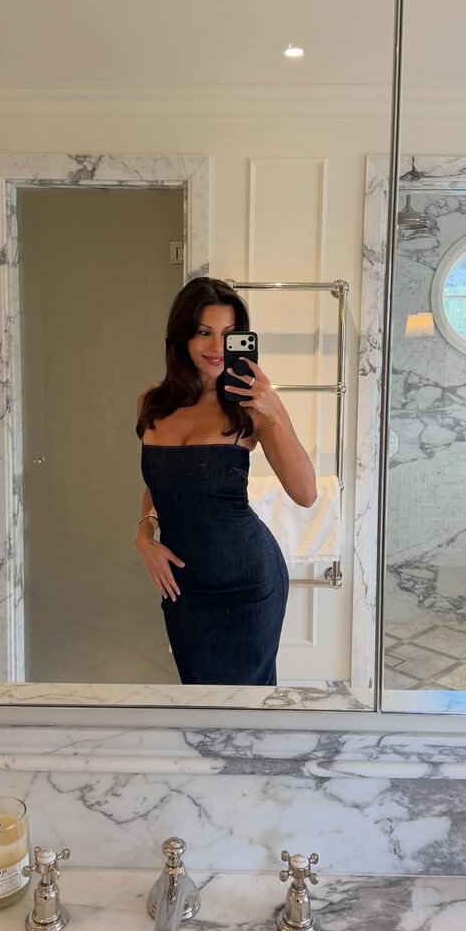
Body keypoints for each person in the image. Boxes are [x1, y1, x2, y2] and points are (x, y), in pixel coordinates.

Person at [135, 277, 317, 686]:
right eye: (204, 332)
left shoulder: (249, 408)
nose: (217, 347)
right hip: (184, 588)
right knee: (198, 701)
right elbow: (162, 482)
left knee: (250, 707)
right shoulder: (152, 403)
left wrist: (276, 410)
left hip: (248, 582)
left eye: (229, 334)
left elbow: (306, 493)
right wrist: (144, 535)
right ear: (182, 336)